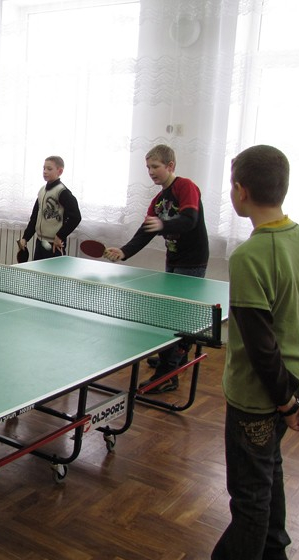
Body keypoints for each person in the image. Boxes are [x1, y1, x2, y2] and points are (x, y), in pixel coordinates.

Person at [180, 145, 299, 560]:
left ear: (240, 191)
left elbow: (260, 345)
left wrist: (285, 402)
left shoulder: (249, 256)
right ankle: (272, 552)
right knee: (270, 468)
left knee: (249, 490)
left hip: (259, 396)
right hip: (295, 385)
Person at [105, 144, 208, 393]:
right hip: (174, 258)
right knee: (172, 311)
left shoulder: (186, 187)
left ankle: (167, 374)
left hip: (193, 260)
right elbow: (146, 231)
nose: (150, 172)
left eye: (155, 166)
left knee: (175, 315)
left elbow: (189, 220)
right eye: (148, 167)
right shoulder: (159, 200)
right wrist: (124, 251)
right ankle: (175, 356)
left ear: (170, 166)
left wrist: (163, 224)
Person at [17, 156, 82, 261]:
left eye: (49, 169)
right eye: (44, 168)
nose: (45, 171)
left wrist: (60, 236)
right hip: (40, 242)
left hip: (55, 245)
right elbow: (35, 217)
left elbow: (76, 217)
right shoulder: (42, 191)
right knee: (37, 271)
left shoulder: (62, 192)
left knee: (54, 271)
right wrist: (25, 238)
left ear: (60, 171)